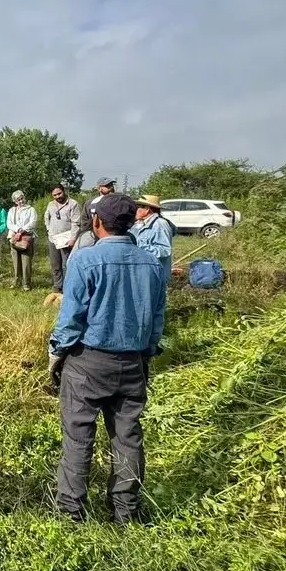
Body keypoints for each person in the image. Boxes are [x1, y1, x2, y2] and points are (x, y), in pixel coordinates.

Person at [48, 193, 166, 523]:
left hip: (88, 362)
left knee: (78, 437)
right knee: (128, 438)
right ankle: (125, 512)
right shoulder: (152, 264)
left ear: (97, 222)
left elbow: (71, 319)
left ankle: (71, 514)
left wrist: (56, 352)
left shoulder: (84, 261)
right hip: (134, 363)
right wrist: (147, 351)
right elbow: (157, 319)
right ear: (132, 221)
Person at [44, 185, 82, 292]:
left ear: (64, 191)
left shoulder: (73, 204)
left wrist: (73, 238)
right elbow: (47, 218)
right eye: (54, 195)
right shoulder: (50, 204)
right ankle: (57, 286)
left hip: (67, 239)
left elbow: (76, 222)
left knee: (67, 264)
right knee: (55, 263)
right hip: (53, 239)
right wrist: (48, 230)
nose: (57, 196)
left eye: (59, 193)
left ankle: (68, 286)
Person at [130, 195, 174, 284]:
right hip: (145, 275)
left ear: (147, 209)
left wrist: (138, 246)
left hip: (155, 276)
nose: (135, 210)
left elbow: (165, 251)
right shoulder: (140, 224)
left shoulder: (160, 224)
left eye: (138, 207)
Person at [6, 190, 38, 291]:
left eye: (22, 198)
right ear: (15, 201)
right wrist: (17, 230)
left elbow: (33, 222)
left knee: (26, 262)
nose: (21, 201)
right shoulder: (12, 210)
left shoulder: (31, 209)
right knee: (16, 261)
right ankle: (17, 281)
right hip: (14, 238)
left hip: (26, 238)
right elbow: (9, 223)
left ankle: (26, 283)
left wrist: (22, 230)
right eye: (18, 200)